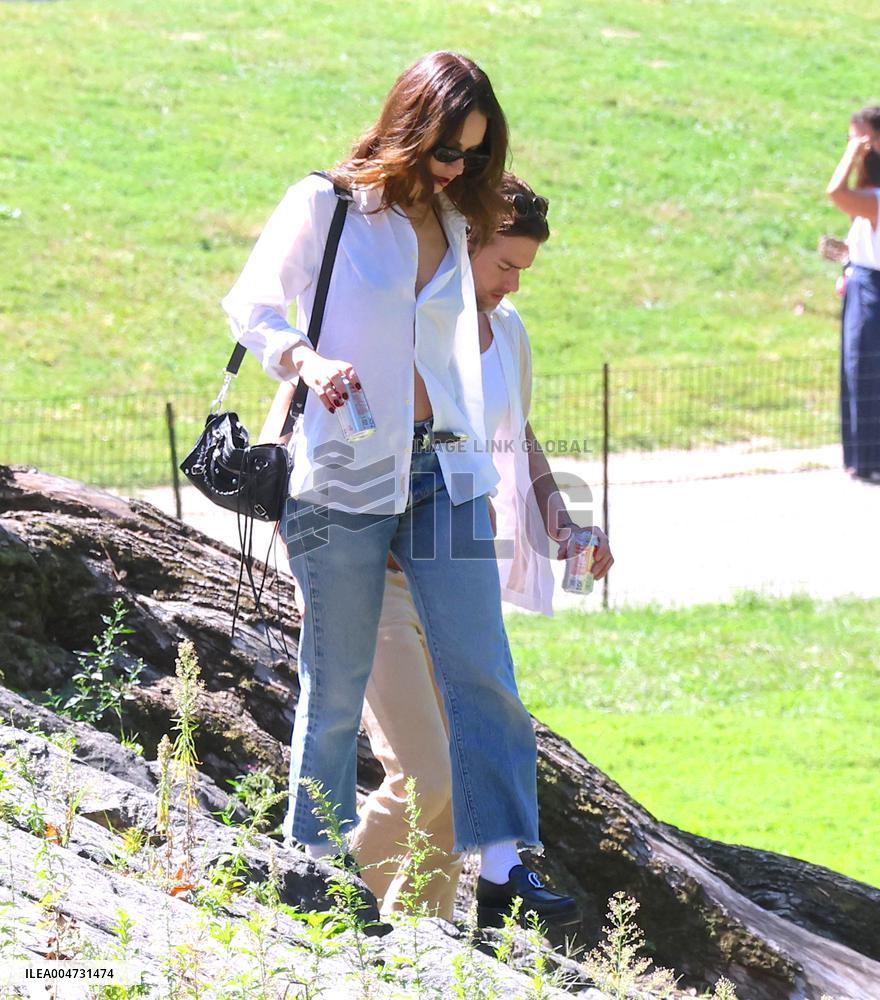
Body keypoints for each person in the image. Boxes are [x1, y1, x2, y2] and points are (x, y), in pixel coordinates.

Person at [222, 52, 577, 926]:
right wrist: (306, 359)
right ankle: (308, 862)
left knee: (484, 671)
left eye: (474, 155)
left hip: (443, 469)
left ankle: (501, 872)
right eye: (447, 150)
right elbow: (252, 306)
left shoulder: (461, 218)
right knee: (335, 677)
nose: (458, 169)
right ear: (410, 128)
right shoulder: (328, 204)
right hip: (343, 469)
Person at [348, 174, 613, 924]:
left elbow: (515, 437)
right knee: (424, 774)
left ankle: (420, 943)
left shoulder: (511, 332)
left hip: (458, 565)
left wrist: (564, 522)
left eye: (524, 270)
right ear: (466, 242)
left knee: (451, 770)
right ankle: (316, 896)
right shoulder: (410, 323)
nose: (512, 283)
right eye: (504, 265)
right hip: (382, 569)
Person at [826, 106, 880, 483]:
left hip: (874, 291)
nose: (855, 145)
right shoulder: (870, 192)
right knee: (854, 371)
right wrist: (848, 260)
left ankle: (870, 460)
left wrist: (851, 153)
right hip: (862, 283)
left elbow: (835, 192)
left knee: (866, 370)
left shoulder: (875, 196)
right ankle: (859, 458)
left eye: (861, 138)